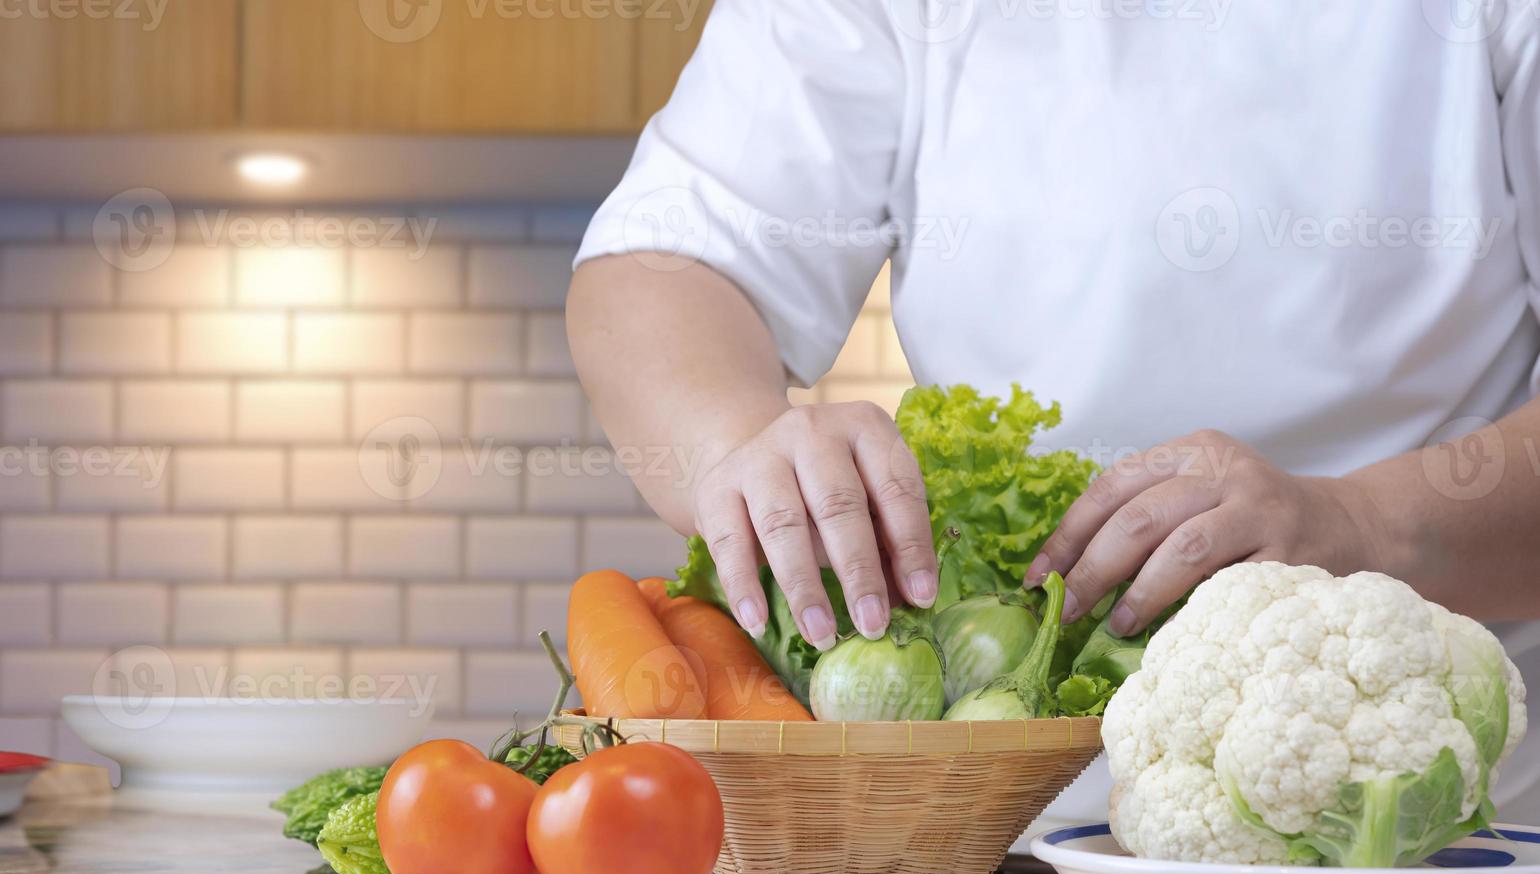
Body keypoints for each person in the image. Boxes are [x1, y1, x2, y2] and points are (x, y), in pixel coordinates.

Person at [566, 2, 1540, 814]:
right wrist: (740, 441)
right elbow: (667, 263)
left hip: (1438, 861)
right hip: (984, 853)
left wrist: (1363, 523)